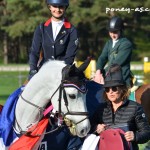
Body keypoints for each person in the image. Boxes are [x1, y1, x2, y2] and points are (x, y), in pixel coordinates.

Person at [90, 64, 150, 150]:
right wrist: (96, 128)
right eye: (107, 89)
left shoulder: (135, 107)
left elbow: (146, 133)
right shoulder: (101, 109)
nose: (110, 92)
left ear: (122, 89)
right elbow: (89, 127)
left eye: (114, 88)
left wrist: (135, 136)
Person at [28, 0, 79, 79]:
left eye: (61, 7)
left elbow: (70, 56)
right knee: (23, 90)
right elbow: (34, 52)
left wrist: (60, 72)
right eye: (55, 6)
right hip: (43, 71)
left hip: (62, 72)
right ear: (50, 7)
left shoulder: (72, 30)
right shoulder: (41, 28)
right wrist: (33, 69)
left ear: (65, 8)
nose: (58, 10)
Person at [94, 16, 133, 88]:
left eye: (115, 32)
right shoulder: (109, 43)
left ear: (121, 31)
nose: (112, 35)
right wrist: (98, 71)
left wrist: (103, 74)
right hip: (110, 76)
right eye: (110, 32)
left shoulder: (126, 44)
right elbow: (102, 57)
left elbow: (116, 63)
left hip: (121, 78)